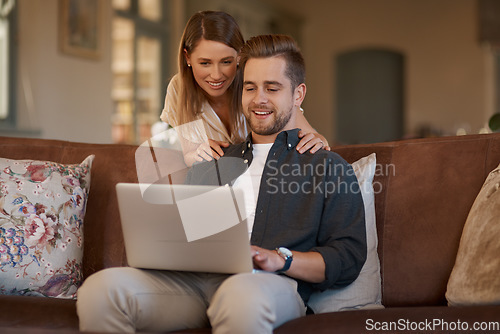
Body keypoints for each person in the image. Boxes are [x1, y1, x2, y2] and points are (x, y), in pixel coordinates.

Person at [76, 34, 366, 334]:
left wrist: (280, 259)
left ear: (298, 95)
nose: (259, 99)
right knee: (101, 290)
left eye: (272, 88)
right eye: (250, 88)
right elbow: (185, 234)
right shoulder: (213, 158)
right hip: (192, 286)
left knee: (240, 295)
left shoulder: (326, 166)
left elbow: (348, 257)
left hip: (267, 285)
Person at [160, 10, 329, 166]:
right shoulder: (178, 89)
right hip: (217, 184)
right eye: (205, 63)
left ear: (239, 56)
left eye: (226, 62)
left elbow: (309, 134)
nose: (217, 75)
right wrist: (198, 153)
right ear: (187, 57)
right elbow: (189, 155)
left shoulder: (254, 83)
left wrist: (318, 140)